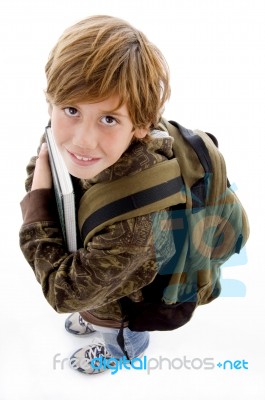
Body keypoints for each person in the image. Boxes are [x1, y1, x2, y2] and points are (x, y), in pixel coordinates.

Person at [19, 15, 247, 375]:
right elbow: (56, 153)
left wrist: (38, 201)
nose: (82, 140)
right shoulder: (92, 144)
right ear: (52, 101)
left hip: (124, 303)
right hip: (101, 273)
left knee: (116, 328)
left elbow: (64, 294)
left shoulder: (132, 227)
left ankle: (120, 349)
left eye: (109, 119)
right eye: (71, 110)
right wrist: (45, 170)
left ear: (140, 125)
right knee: (93, 300)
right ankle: (97, 317)